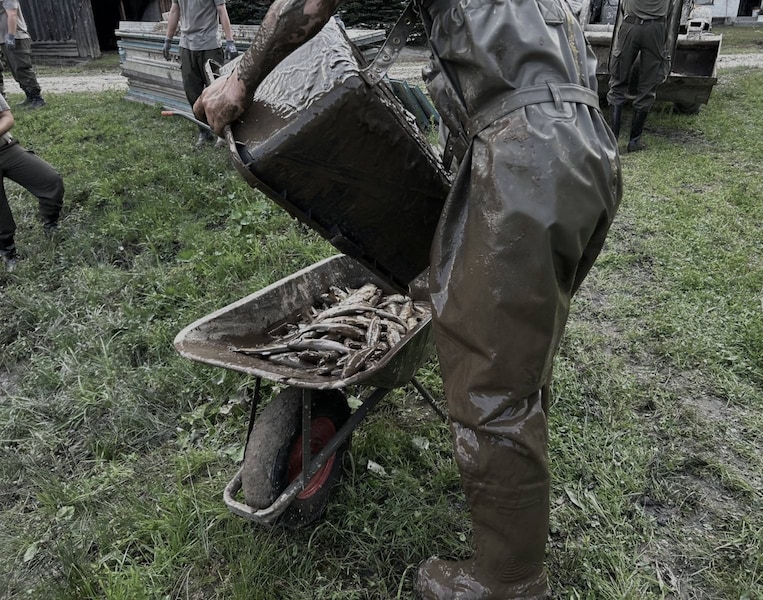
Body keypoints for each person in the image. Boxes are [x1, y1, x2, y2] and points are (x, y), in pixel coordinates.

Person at [195, 0, 621, 597]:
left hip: (528, 158)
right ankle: (515, 486)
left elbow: (306, 5)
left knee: (491, 390)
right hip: (586, 147)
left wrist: (240, 78)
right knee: (517, 353)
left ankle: (510, 585)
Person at [0, 95, 64, 271]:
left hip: (5, 148)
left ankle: (51, 224)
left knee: (51, 181)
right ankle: (7, 251)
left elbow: (7, 116)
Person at [163, 0, 238, 147]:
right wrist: (168, 39)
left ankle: (222, 134)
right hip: (186, 45)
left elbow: (221, 10)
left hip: (209, 44)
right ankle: (204, 131)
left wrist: (230, 41)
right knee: (192, 91)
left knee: (217, 91)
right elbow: (174, 11)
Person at [607, 0, 670, 152]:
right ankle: (634, 141)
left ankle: (612, 139)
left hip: (630, 26)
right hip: (656, 28)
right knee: (648, 85)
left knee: (618, 82)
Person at [0, 0, 45, 109]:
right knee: (13, 71)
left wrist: (11, 35)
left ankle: (37, 98)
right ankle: (28, 96)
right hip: (3, 39)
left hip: (16, 37)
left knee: (22, 68)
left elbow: (12, 14)